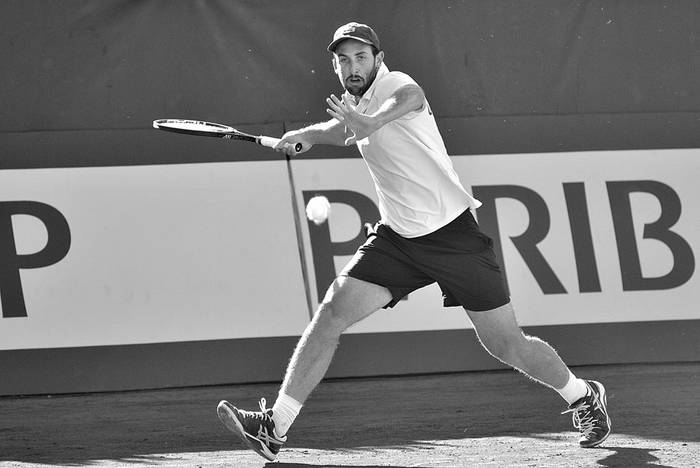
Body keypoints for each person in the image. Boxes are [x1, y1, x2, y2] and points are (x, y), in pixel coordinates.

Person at [216, 22, 611, 461]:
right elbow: (345, 129)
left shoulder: (395, 84)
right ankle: (276, 426)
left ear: (378, 58)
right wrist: (307, 135)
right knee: (330, 314)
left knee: (505, 345)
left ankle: (583, 396)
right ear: (335, 64)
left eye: (360, 56)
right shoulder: (354, 102)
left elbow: (409, 99)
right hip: (398, 240)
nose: (352, 65)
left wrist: (370, 120)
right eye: (343, 59)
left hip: (454, 237)